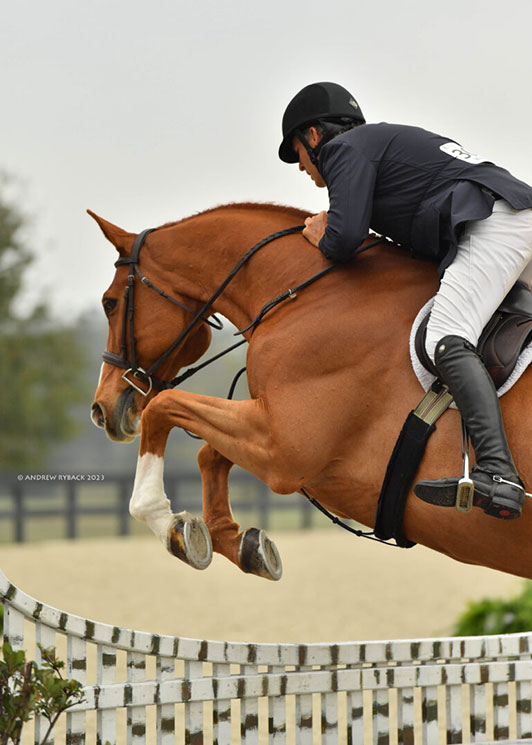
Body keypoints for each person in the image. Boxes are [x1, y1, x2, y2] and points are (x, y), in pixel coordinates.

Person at [279, 81, 532, 520]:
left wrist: (324, 236)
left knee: (448, 337)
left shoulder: (346, 150)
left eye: (297, 153)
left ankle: (499, 472)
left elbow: (344, 240)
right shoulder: (378, 145)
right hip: (513, 215)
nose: (302, 167)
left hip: (495, 225)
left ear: (314, 136)